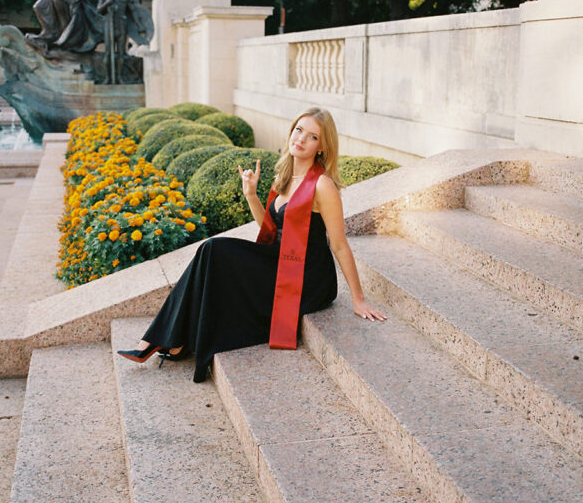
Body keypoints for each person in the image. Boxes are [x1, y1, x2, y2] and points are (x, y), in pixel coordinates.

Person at [117, 107, 386, 382]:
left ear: (322, 147)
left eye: (313, 137)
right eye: (299, 130)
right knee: (210, 251)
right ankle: (169, 339)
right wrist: (250, 194)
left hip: (308, 275)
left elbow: (339, 244)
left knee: (214, 249)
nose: (301, 139)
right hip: (278, 258)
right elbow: (269, 228)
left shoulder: (322, 186)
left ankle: (164, 340)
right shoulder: (284, 177)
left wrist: (358, 299)